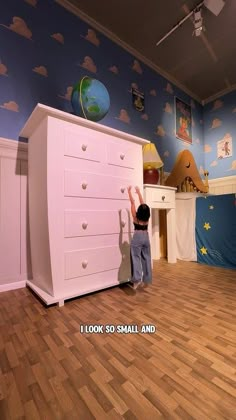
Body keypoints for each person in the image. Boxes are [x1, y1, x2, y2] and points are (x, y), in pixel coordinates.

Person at [127, 186, 152, 289]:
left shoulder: (135, 217)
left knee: (136, 257)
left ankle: (137, 279)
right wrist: (139, 193)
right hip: (146, 236)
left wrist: (129, 192)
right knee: (146, 257)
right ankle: (147, 279)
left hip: (138, 236)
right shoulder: (147, 217)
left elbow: (132, 203)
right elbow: (143, 206)